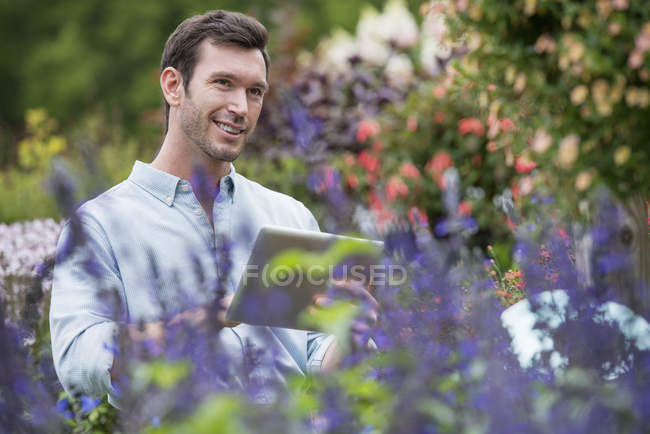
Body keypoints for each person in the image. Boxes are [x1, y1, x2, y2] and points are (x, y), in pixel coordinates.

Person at [49, 10, 377, 408]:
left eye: (255, 91)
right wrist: (203, 321)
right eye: (223, 83)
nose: (241, 106)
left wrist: (349, 334)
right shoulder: (98, 226)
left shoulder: (289, 215)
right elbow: (79, 361)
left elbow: (316, 367)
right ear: (173, 85)